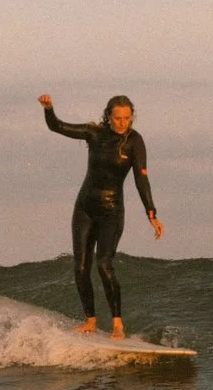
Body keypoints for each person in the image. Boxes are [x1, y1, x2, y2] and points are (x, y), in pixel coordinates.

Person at [38, 93, 162, 337]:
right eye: (118, 118)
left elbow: (141, 178)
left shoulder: (134, 142)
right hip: (85, 208)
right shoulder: (94, 133)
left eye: (127, 118)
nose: (122, 123)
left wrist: (151, 213)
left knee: (104, 264)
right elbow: (57, 126)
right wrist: (49, 109)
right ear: (108, 116)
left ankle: (117, 323)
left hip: (111, 211)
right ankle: (90, 320)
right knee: (81, 267)